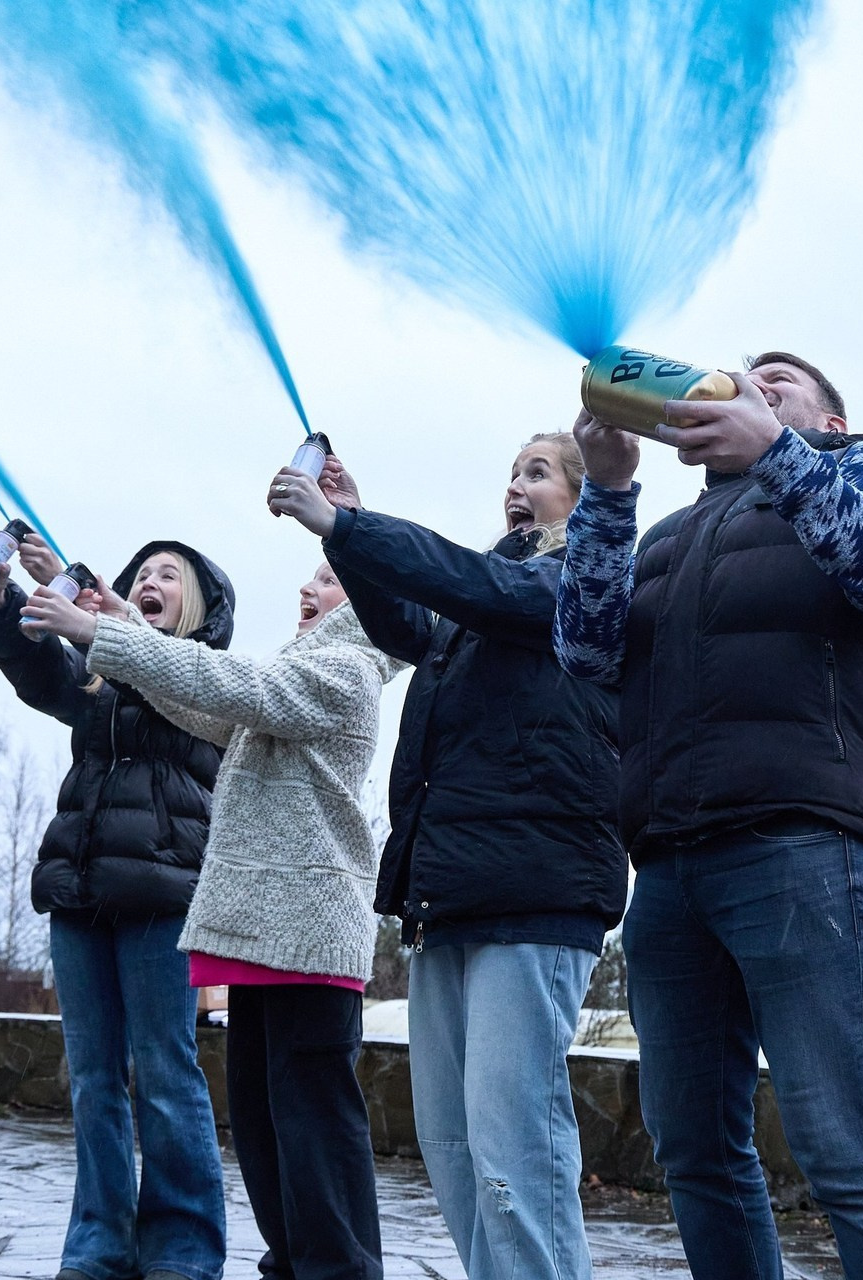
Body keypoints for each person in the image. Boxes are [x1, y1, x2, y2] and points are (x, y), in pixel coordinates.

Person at [553, 352, 863, 1279]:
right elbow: (583, 653)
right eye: (745, 379)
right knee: (692, 1151)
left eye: (781, 383)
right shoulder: (668, 534)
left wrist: (778, 452)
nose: (751, 384)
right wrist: (609, 492)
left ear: (830, 422)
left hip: (809, 846)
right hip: (670, 868)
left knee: (845, 1144)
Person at [266, 434, 628, 1280]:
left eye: (536, 472)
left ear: (581, 496)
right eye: (511, 471)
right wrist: (345, 529)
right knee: (455, 1146)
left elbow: (483, 587)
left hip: (536, 895)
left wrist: (355, 531)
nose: (515, 485)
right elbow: (408, 620)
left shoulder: (584, 578)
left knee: (515, 1150)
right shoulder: (483, 598)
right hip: (449, 895)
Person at [22, 555, 401, 1280]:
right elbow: (197, 702)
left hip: (310, 936)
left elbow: (230, 684)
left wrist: (102, 638)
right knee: (263, 1127)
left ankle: (337, 1270)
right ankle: (289, 1264)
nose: (305, 587)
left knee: (313, 1126)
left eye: (327, 579)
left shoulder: (346, 669)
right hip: (262, 934)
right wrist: (117, 620)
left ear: (363, 601)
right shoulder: (302, 667)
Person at [0, 535, 231, 1280]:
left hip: (161, 891)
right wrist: (2, 602)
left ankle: (183, 1250)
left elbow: (156, 676)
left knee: (166, 1071)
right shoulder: (102, 675)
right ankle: (99, 1245)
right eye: (140, 574)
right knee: (92, 1077)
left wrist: (108, 625)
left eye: (167, 576)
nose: (149, 581)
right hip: (79, 890)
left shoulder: (206, 676)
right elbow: (43, 672)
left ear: (201, 605)